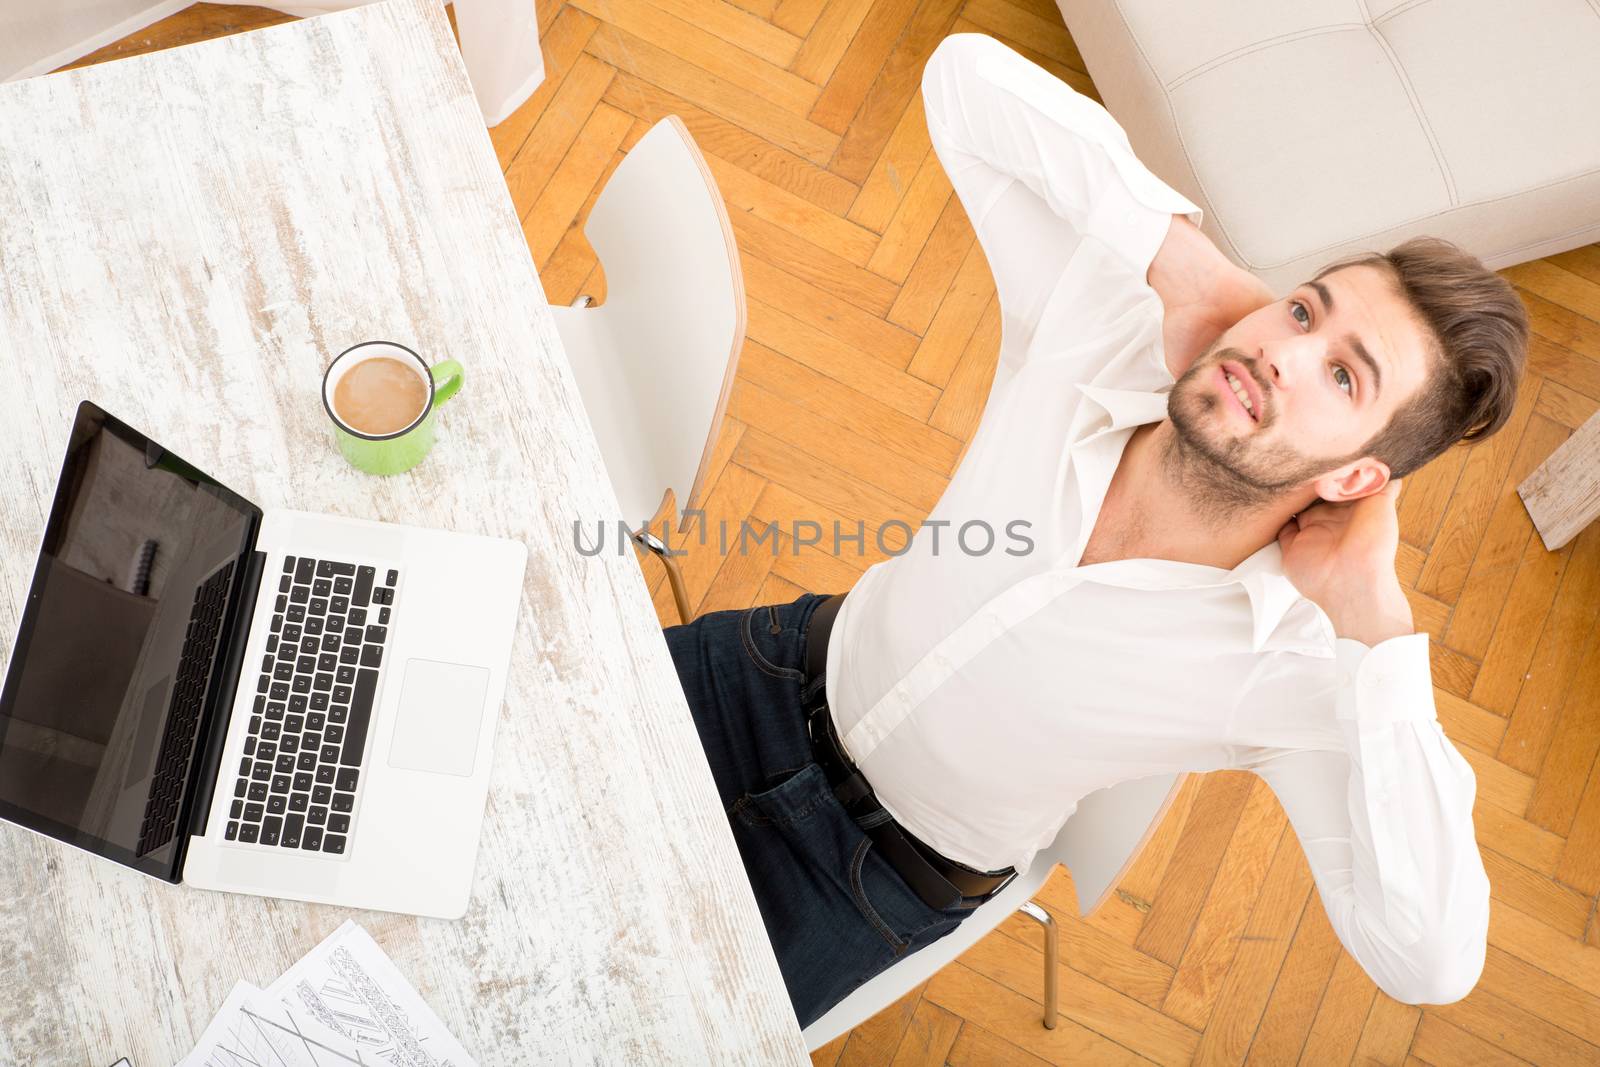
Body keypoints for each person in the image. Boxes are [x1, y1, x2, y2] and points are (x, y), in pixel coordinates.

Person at [664, 32, 1527, 1030]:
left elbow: (1429, 957)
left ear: (1361, 474)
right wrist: (1181, 257)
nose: (1286, 353)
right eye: (1301, 311)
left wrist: (1377, 628)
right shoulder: (1101, 321)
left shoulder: (1302, 667)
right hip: (756, 675)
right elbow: (961, 78)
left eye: (1343, 375)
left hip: (857, 880)